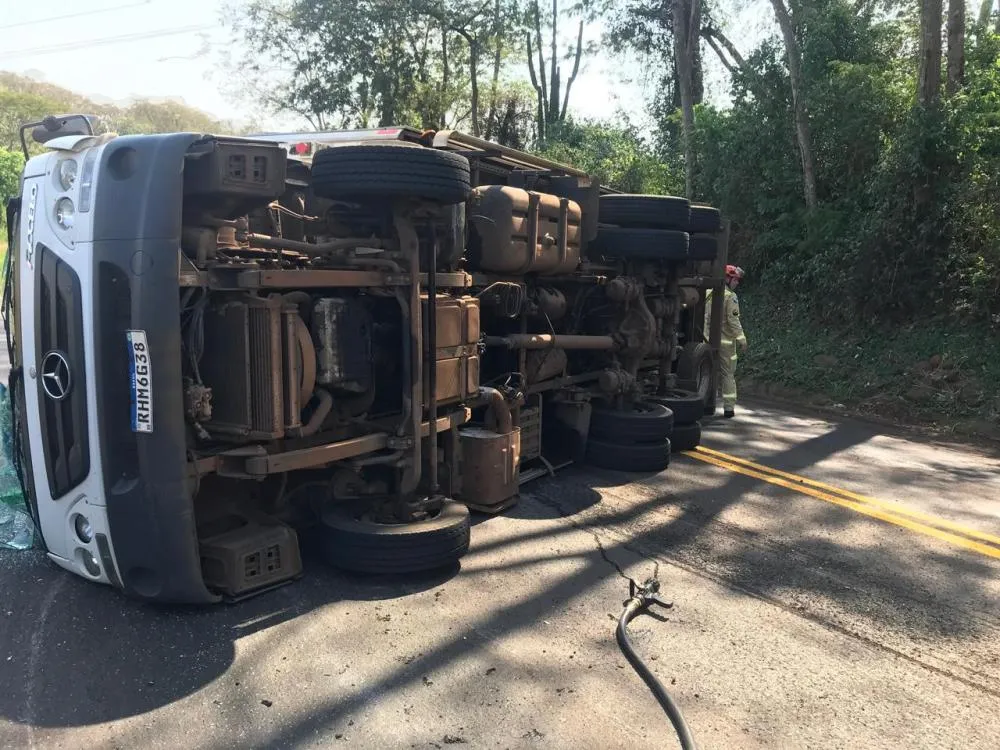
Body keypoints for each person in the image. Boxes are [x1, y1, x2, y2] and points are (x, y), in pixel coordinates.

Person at [704, 265, 747, 418]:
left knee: (707, 372)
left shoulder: (708, 293)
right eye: (735, 280)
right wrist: (741, 338)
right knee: (728, 375)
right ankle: (729, 409)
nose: (737, 283)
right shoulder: (730, 296)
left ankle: (707, 405)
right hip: (726, 344)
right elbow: (733, 320)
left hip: (705, 340)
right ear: (727, 279)